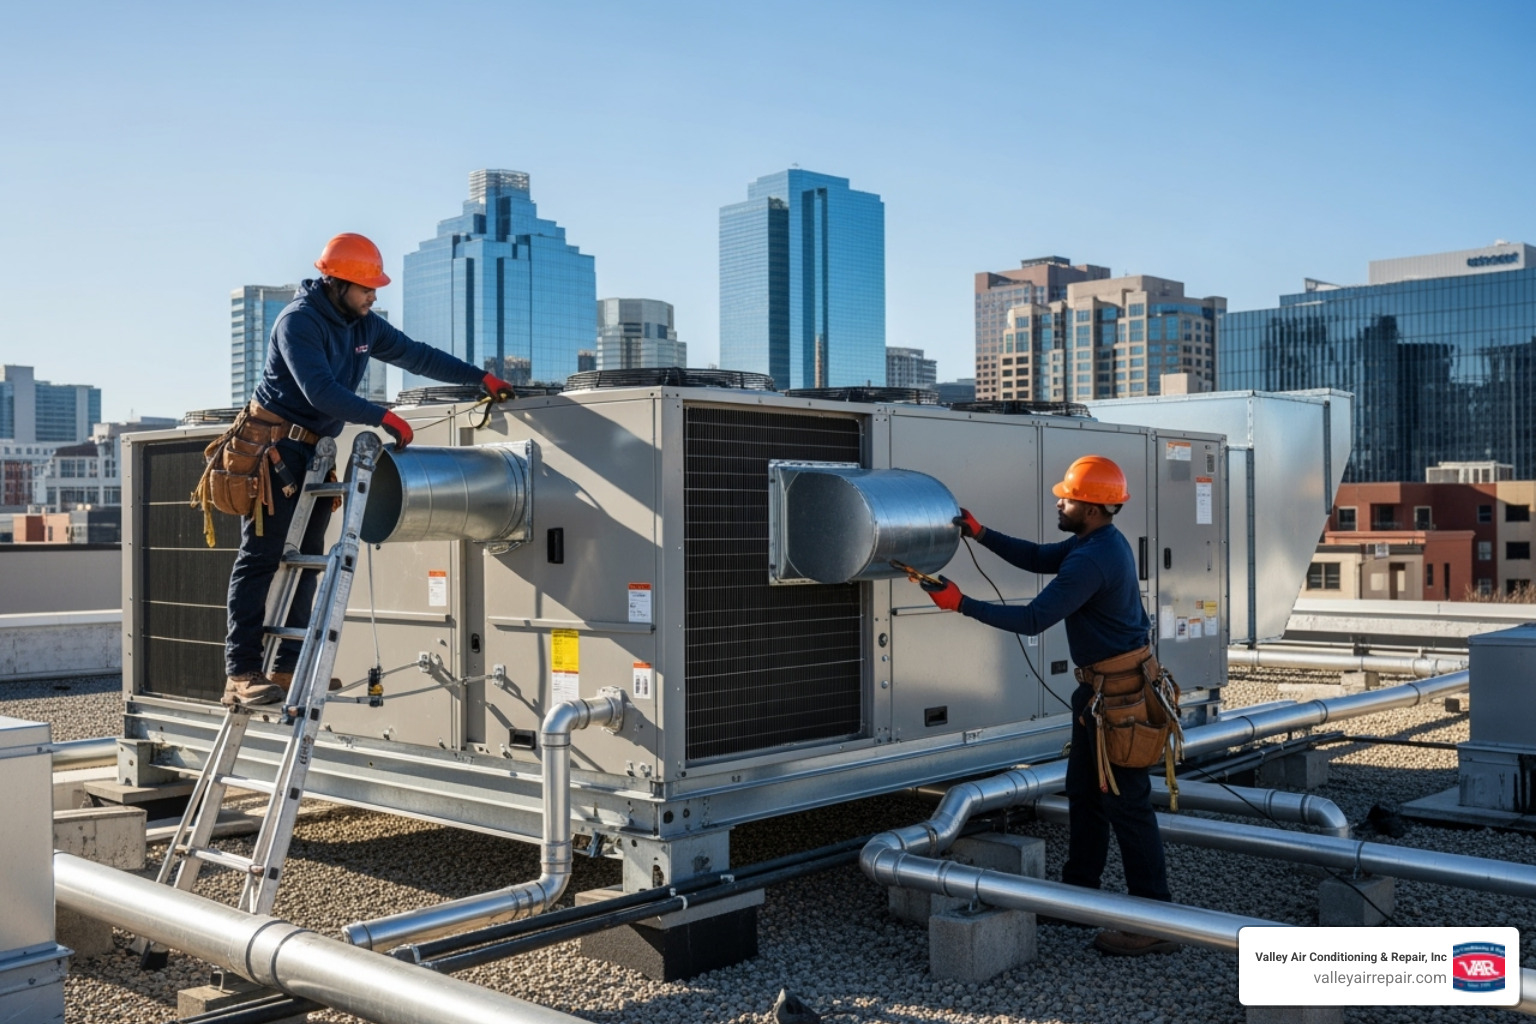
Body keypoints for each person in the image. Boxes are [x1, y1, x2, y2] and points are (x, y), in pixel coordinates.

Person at [222, 233, 516, 707]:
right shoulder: (298, 323)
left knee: (310, 558)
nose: (373, 296)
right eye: (366, 288)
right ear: (336, 283)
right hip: (273, 452)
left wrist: (479, 378)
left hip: (314, 452)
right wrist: (383, 416)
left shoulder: (362, 325)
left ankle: (286, 667)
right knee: (260, 558)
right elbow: (319, 390)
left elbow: (416, 354)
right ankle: (240, 673)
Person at [919, 454, 1177, 957]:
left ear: (1093, 508)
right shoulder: (1094, 542)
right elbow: (1040, 557)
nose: (1059, 500)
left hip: (1119, 696)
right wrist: (982, 533)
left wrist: (961, 604)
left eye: (1067, 497)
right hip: (1101, 694)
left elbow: (1035, 618)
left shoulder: (1093, 556)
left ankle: (1156, 918)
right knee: (1085, 792)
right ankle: (1079, 893)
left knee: (1127, 805)